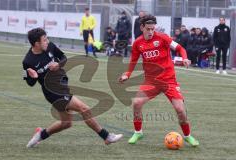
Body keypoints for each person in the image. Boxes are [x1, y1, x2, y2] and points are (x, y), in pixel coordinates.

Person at [23, 28, 123, 148]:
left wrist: (58, 65)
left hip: (63, 85)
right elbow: (30, 83)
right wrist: (33, 77)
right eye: (44, 40)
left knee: (66, 123)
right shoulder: (28, 61)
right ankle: (106, 136)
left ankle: (41, 135)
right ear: (36, 44)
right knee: (84, 109)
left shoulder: (50, 46)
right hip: (53, 92)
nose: (47, 41)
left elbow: (63, 58)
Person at [118, 15, 199, 146]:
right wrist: (127, 74)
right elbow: (133, 60)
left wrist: (184, 58)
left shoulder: (163, 37)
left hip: (169, 81)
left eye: (152, 29)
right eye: (148, 29)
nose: (151, 32)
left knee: (180, 110)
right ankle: (138, 132)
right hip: (151, 81)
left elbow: (180, 48)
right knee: (137, 103)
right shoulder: (138, 43)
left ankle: (188, 136)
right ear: (142, 27)